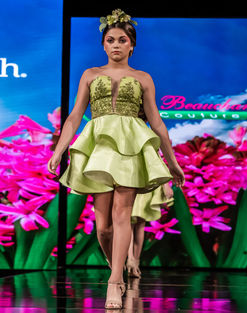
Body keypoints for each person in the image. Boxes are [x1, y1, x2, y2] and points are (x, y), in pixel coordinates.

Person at [47, 9, 185, 309]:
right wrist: (60, 150)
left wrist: (171, 161)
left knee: (122, 214)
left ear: (132, 45)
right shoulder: (90, 74)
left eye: (122, 40)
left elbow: (157, 122)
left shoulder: (142, 78)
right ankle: (117, 268)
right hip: (100, 148)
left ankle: (114, 283)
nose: (116, 45)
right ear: (104, 44)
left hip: (130, 149)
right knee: (103, 228)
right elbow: (74, 117)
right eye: (110, 40)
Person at [126, 182, 174, 278]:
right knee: (130, 222)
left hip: (147, 181)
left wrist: (165, 184)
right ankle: (130, 259)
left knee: (140, 224)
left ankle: (135, 261)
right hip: (131, 180)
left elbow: (160, 166)